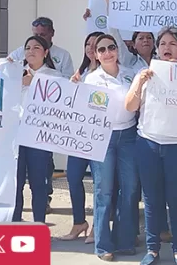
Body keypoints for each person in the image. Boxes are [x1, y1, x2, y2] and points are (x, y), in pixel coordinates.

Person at [126, 27, 177, 265]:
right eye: (163, 44)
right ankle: (152, 248)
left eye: (173, 44)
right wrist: (138, 82)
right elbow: (130, 107)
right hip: (148, 144)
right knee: (151, 199)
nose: (167, 48)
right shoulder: (145, 74)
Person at [81, 33, 141, 261]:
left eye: (111, 47)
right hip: (102, 138)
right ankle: (103, 244)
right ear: (95, 55)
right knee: (103, 191)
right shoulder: (91, 79)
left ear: (118, 50)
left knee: (130, 188)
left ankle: (125, 240)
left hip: (128, 135)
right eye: (102, 49)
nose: (107, 53)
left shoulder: (130, 74)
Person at [58, 31, 105, 244]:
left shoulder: (109, 72)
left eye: (95, 44)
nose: (90, 47)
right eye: (88, 44)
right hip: (79, 135)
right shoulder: (81, 71)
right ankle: (79, 223)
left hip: (100, 135)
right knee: (73, 177)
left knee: (99, 183)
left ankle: (98, 226)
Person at [12, 36, 58, 223]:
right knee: (16, 183)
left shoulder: (54, 75)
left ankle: (39, 225)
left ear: (46, 52)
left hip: (39, 136)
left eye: (36, 47)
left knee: (38, 184)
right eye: (27, 47)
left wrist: (34, 82)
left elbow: (57, 101)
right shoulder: (16, 73)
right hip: (16, 136)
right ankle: (14, 224)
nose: (31, 51)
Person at [10, 17, 75, 79]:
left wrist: (34, 81)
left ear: (52, 33)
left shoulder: (63, 55)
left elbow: (67, 80)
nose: (31, 51)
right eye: (36, 35)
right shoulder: (20, 51)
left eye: (42, 35)